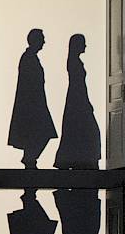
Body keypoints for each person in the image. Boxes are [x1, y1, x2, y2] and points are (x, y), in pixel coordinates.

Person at [8, 28, 57, 169]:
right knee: (41, 132)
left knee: (38, 132)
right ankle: (29, 158)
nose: (44, 42)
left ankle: (30, 158)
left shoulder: (31, 57)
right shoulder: (28, 58)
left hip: (35, 102)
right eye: (42, 39)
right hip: (32, 103)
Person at [54, 34, 101, 169]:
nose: (85, 46)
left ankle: (83, 160)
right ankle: (85, 160)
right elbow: (79, 85)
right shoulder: (74, 62)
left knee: (80, 131)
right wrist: (85, 102)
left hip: (76, 99)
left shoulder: (75, 61)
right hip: (77, 99)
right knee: (89, 131)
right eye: (83, 43)